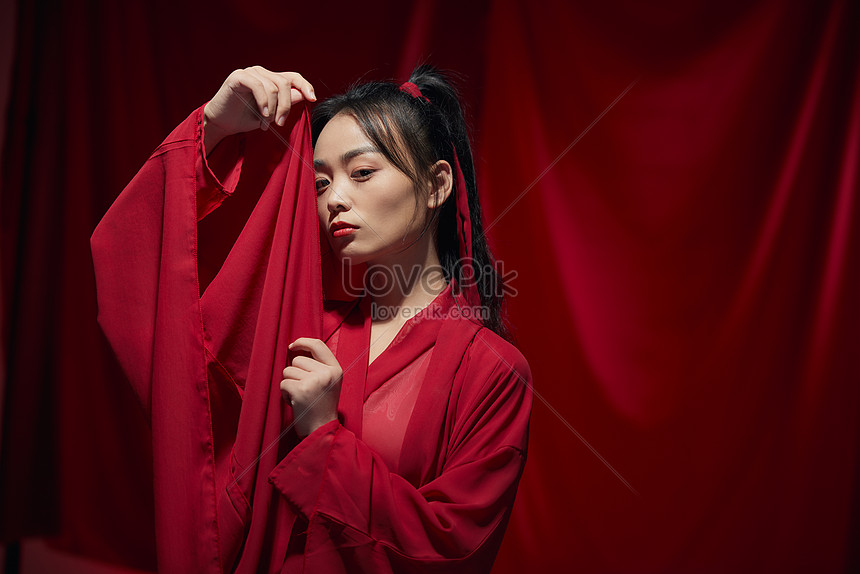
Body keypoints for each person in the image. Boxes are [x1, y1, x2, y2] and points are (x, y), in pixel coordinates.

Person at [91, 64, 533, 574]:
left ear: (437, 184)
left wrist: (324, 434)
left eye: (362, 172)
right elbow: (146, 295)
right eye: (320, 182)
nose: (334, 200)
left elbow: (452, 549)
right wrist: (214, 126)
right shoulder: (304, 331)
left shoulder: (493, 371)